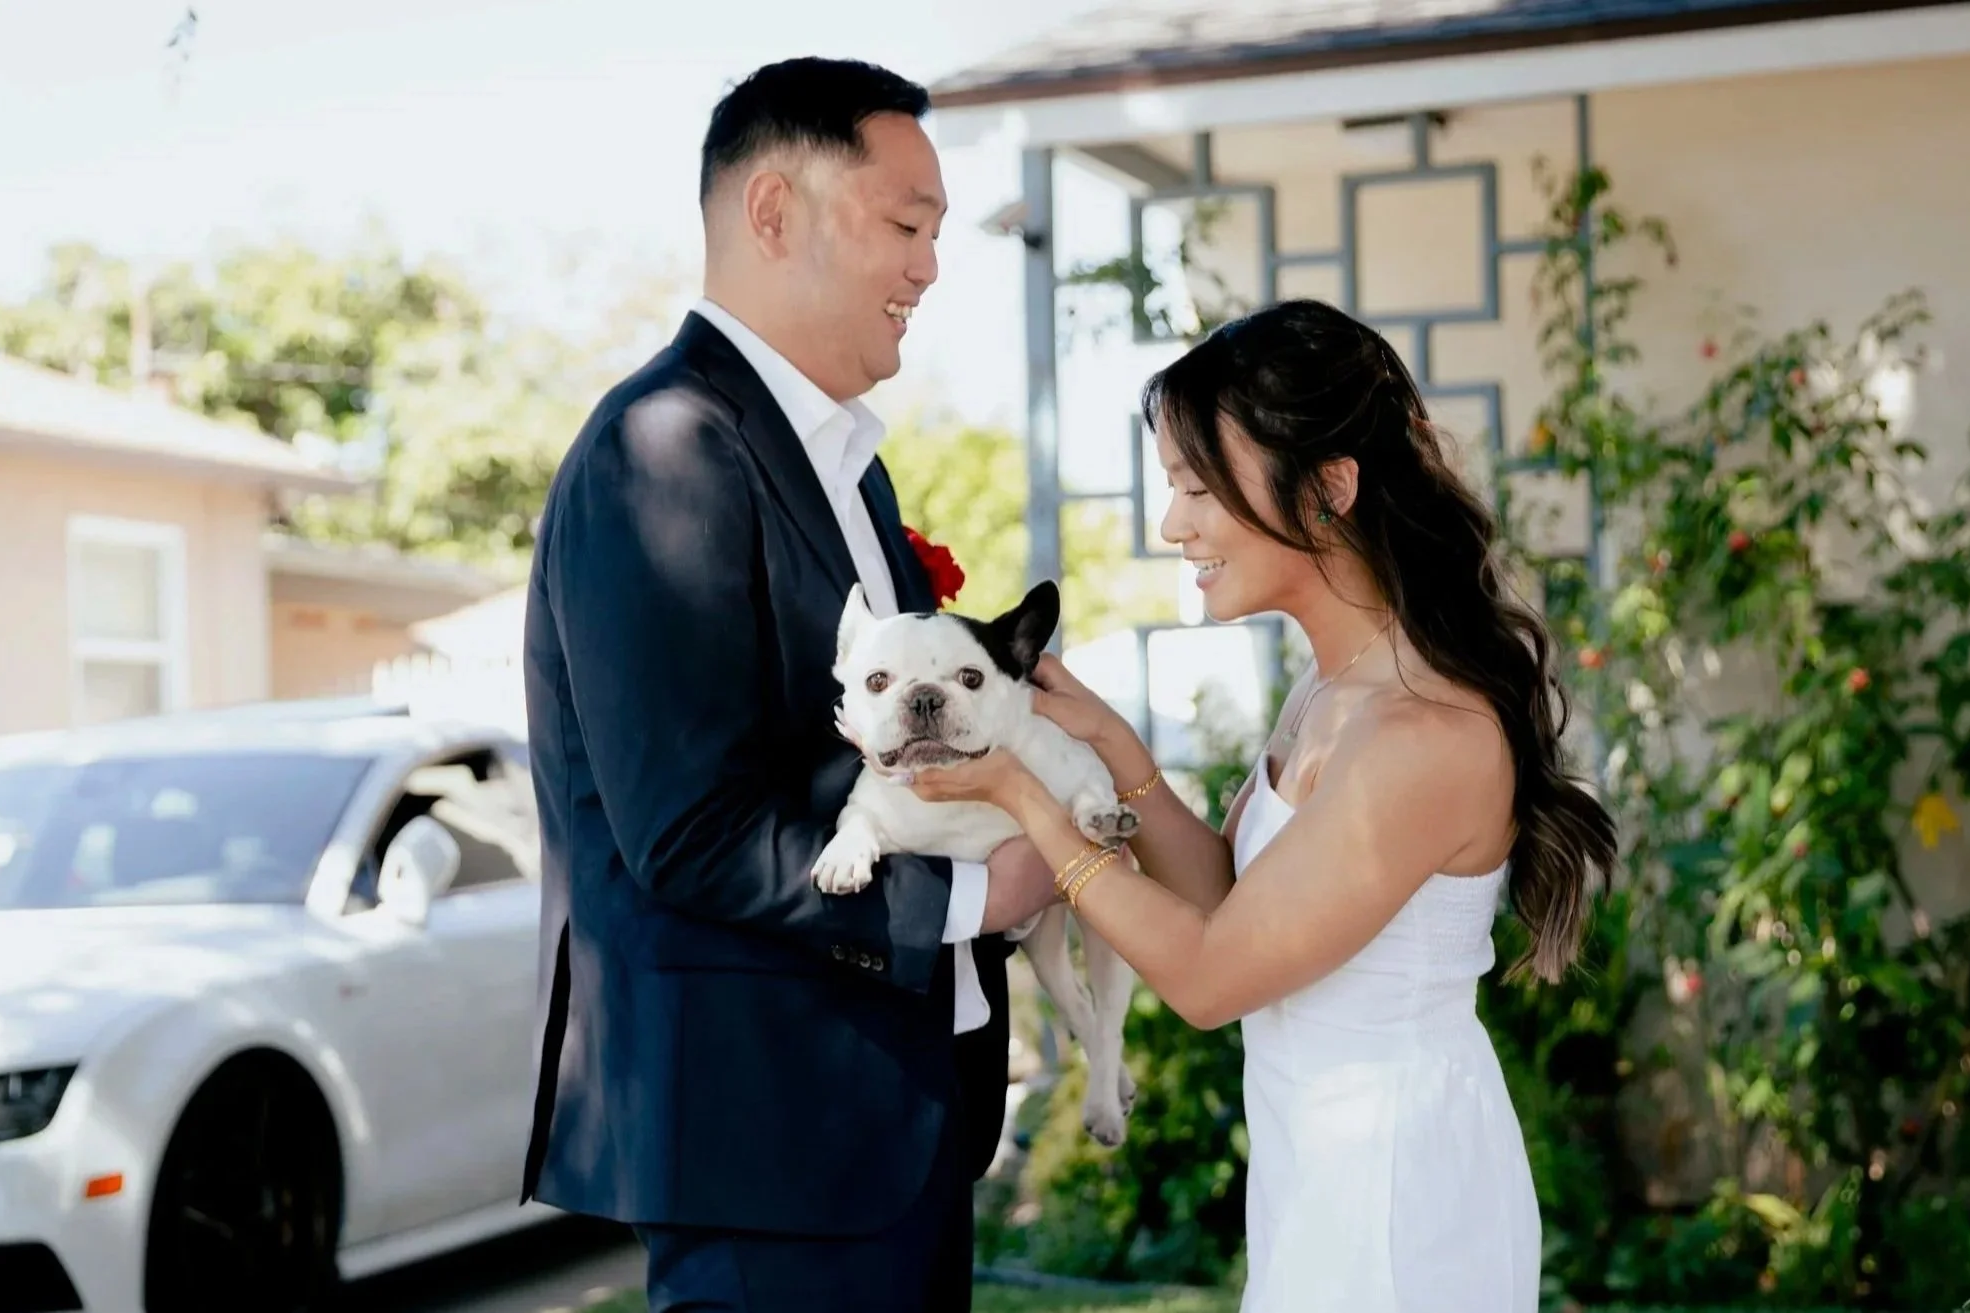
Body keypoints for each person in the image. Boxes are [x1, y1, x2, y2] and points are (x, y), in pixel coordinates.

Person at [907, 298, 1618, 1312]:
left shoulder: (1422, 735)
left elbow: (1205, 977)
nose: (1171, 523)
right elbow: (1229, 904)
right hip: (1319, 1158)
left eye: (1197, 485)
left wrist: (1022, 791)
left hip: (1393, 1190)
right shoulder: (1330, 693)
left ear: (1328, 487)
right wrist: (1110, 743)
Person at [518, 56, 1059, 1312]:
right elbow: (688, 830)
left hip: (884, 1127)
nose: (929, 266)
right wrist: (987, 885)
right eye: (906, 225)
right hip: (769, 1139)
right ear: (773, 212)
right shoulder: (663, 448)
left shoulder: (844, 469)